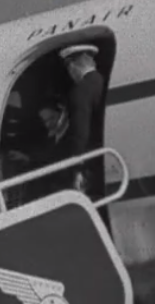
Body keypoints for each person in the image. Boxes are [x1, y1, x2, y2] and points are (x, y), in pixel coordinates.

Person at [58, 43, 106, 199]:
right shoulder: (101, 81)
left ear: (73, 66)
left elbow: (80, 132)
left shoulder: (80, 91)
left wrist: (77, 168)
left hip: (90, 162)